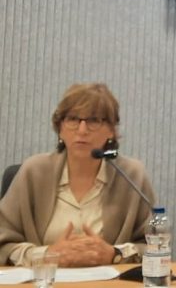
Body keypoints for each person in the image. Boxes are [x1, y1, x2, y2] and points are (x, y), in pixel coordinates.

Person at [0, 83, 155, 267]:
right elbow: (3, 244)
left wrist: (114, 254)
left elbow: (156, 246)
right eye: (73, 119)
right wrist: (47, 255)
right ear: (60, 128)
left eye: (93, 120)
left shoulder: (131, 176)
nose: (82, 130)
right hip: (46, 280)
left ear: (111, 131)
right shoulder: (33, 172)